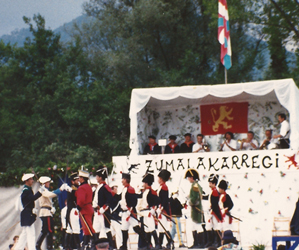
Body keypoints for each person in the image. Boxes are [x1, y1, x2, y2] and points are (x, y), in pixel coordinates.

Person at [14, 173, 43, 250]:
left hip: (27, 214)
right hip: (27, 215)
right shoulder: (26, 191)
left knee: (24, 235)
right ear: (27, 181)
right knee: (31, 234)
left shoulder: (27, 189)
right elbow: (32, 198)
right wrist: (40, 191)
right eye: (31, 179)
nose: (32, 181)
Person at [119, 172, 147, 250]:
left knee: (136, 228)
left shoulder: (130, 189)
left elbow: (133, 201)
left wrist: (130, 210)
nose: (122, 180)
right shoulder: (124, 189)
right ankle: (124, 245)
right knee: (124, 229)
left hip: (130, 212)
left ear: (126, 180)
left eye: (123, 179)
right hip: (125, 212)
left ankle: (146, 243)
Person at [36, 176, 64, 250]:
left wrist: (52, 208)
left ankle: (38, 245)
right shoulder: (43, 190)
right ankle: (49, 247)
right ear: (44, 183)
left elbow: (49, 197)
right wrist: (60, 189)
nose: (49, 184)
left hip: (47, 212)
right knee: (49, 230)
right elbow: (51, 194)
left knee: (45, 230)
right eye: (48, 182)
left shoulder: (45, 190)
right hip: (45, 213)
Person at [92, 166, 114, 249]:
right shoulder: (99, 187)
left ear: (100, 177)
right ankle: (95, 246)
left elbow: (109, 200)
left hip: (103, 211)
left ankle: (111, 246)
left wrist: (103, 208)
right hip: (97, 212)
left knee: (107, 229)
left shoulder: (105, 187)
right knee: (96, 229)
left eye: (97, 176)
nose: (96, 178)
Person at [76, 169, 96, 250]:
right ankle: (87, 245)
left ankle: (94, 244)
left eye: (80, 177)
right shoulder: (88, 186)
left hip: (84, 209)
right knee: (87, 228)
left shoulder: (82, 188)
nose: (79, 179)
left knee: (88, 228)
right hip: (89, 208)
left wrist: (78, 206)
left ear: (83, 179)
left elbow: (81, 200)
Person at [139, 173, 160, 249]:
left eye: (144, 182)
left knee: (151, 228)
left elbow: (157, 202)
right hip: (145, 212)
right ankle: (149, 244)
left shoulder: (152, 192)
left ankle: (157, 244)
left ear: (147, 183)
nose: (143, 184)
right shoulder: (145, 192)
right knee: (146, 229)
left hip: (149, 212)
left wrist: (153, 209)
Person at [185, 169, 204, 249]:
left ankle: (200, 243)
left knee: (197, 227)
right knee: (194, 227)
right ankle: (196, 243)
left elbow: (195, 198)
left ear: (192, 177)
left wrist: (189, 202)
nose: (188, 179)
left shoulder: (195, 186)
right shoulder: (195, 185)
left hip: (196, 209)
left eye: (188, 177)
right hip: (195, 209)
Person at [157, 169, 174, 249]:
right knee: (161, 227)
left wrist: (161, 208)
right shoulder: (161, 187)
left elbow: (164, 199)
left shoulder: (164, 187)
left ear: (161, 178)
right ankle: (159, 244)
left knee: (163, 227)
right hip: (160, 208)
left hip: (163, 209)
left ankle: (170, 241)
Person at [205, 174, 222, 248]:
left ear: (214, 184)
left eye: (210, 183)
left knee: (216, 227)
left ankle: (217, 242)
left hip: (213, 212)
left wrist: (212, 211)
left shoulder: (215, 192)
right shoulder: (212, 191)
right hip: (211, 212)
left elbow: (214, 204)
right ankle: (211, 241)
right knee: (209, 226)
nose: (209, 184)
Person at [64, 172, 81, 250]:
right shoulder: (72, 189)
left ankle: (67, 246)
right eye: (76, 180)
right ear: (72, 181)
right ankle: (78, 246)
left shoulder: (74, 189)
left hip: (73, 210)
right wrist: (71, 190)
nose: (78, 181)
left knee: (70, 229)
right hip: (73, 210)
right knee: (75, 228)